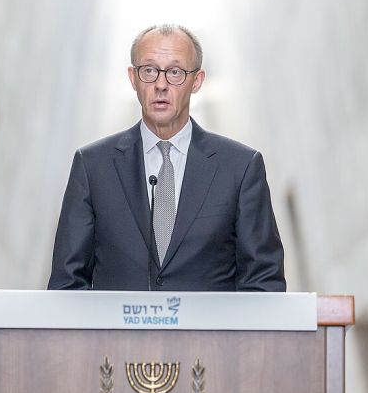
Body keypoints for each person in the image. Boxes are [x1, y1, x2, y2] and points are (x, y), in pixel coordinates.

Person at [48, 24, 285, 291]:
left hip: (210, 333)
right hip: (117, 333)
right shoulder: (92, 166)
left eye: (175, 72)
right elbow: (67, 284)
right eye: (149, 71)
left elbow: (263, 283)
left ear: (197, 81)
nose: (161, 85)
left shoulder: (240, 168)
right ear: (133, 77)